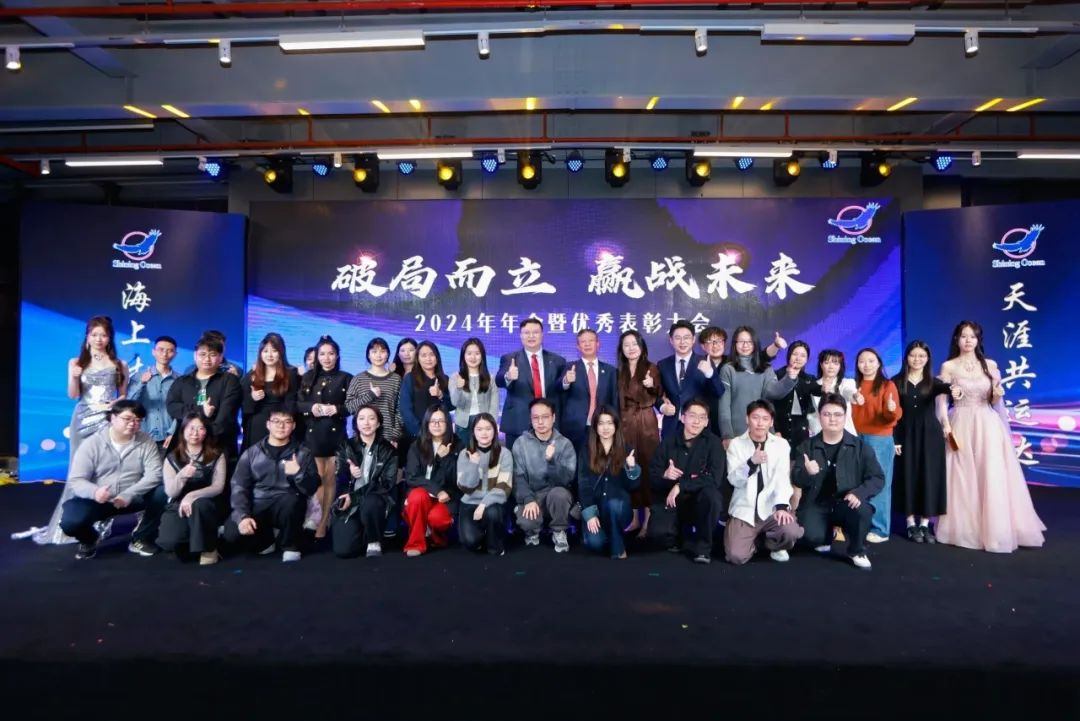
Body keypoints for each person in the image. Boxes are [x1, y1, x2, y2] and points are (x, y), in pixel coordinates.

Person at [935, 321, 1045, 553]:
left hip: (987, 423)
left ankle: (995, 529)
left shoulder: (990, 365)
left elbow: (995, 400)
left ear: (978, 340)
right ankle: (965, 529)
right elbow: (942, 401)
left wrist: (997, 393)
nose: (968, 340)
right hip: (960, 421)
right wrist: (945, 425)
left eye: (972, 336)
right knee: (962, 475)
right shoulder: (949, 367)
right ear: (956, 339)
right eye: (963, 336)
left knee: (990, 474)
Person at [34, 316, 130, 545]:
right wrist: (75, 377)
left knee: (103, 469)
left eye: (103, 335)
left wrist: (114, 405)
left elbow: (123, 395)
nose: (99, 339)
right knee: (78, 469)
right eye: (94, 334)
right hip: (82, 419)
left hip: (106, 421)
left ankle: (99, 523)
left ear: (110, 338)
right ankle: (69, 522)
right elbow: (73, 395)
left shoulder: (120, 364)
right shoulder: (75, 362)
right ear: (87, 336)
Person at [58, 400, 165, 560]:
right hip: (99, 499)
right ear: (112, 418)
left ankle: (141, 538)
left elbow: (154, 474)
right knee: (70, 522)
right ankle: (89, 539)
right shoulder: (92, 443)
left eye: (138, 420)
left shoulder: (145, 441)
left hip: (133, 497)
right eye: (127, 419)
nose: (133, 424)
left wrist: (128, 494)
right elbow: (77, 480)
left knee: (163, 492)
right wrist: (95, 492)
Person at [793, 393, 883, 570]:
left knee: (862, 511)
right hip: (817, 503)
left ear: (845, 416)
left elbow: (877, 477)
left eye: (837, 414)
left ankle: (856, 550)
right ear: (820, 416)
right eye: (827, 414)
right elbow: (796, 478)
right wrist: (806, 473)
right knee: (811, 537)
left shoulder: (861, 447)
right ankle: (826, 534)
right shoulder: (806, 446)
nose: (832, 419)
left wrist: (859, 493)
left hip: (847, 502)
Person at [224, 410, 320, 562]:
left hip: (287, 504)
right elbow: (239, 487)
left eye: (287, 422)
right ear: (268, 424)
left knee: (292, 501)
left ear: (293, 426)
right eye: (276, 421)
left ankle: (290, 545)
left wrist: (298, 473)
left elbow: (312, 488)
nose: (281, 426)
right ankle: (267, 540)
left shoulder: (303, 453)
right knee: (231, 534)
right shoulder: (251, 453)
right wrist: (242, 516)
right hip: (259, 502)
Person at [724, 400, 804, 564]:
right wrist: (751, 463)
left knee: (791, 531)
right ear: (747, 419)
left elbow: (782, 478)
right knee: (736, 556)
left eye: (765, 419)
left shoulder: (781, 445)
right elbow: (734, 480)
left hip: (771, 508)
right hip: (746, 509)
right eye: (755, 418)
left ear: (771, 422)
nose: (760, 423)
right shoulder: (736, 444)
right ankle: (755, 542)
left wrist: (781, 507)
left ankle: (773, 545)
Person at [648, 398, 726, 564]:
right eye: (692, 416)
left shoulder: (714, 443)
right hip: (674, 502)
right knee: (657, 534)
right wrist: (664, 475)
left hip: (699, 500)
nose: (696, 421)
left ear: (707, 422)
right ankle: (679, 537)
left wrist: (681, 485)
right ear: (683, 418)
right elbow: (653, 478)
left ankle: (703, 548)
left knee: (712, 497)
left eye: (702, 417)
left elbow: (714, 479)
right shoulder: (668, 441)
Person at [892, 340, 951, 542]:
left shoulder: (933, 382)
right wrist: (894, 439)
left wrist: (956, 390)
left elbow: (948, 388)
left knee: (929, 476)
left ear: (927, 359)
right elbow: (893, 415)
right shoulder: (896, 381)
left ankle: (925, 524)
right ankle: (910, 523)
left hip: (930, 435)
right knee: (907, 475)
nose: (917, 359)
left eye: (921, 356)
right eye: (913, 355)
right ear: (906, 357)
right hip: (905, 434)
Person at [296, 335, 352, 539]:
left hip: (336, 435)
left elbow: (352, 406)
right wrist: (313, 407)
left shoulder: (346, 377)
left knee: (331, 479)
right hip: (313, 435)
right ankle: (319, 518)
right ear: (317, 356)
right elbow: (297, 404)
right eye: (322, 354)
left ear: (337, 355)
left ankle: (324, 521)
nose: (327, 358)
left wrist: (336, 409)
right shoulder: (308, 377)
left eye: (331, 354)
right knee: (317, 479)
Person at [156, 412, 226, 565]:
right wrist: (182, 475)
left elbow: (218, 487)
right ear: (183, 430)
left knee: (200, 504)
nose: (195, 433)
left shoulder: (217, 455)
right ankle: (194, 539)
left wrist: (191, 496)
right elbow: (171, 492)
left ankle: (209, 547)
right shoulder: (172, 457)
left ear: (206, 432)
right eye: (191, 428)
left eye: (200, 428)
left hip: (207, 502)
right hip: (178, 504)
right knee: (169, 542)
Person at [166, 333, 242, 468]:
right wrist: (200, 410)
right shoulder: (182, 381)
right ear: (195, 355)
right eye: (202, 354)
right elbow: (172, 406)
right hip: (186, 446)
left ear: (220, 358)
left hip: (219, 445)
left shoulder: (230, 381)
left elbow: (227, 414)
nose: (207, 359)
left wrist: (202, 436)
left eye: (212, 355)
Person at [332, 405, 398, 558]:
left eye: (371, 418)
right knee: (343, 550)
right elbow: (340, 478)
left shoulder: (389, 450)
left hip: (375, 499)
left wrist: (355, 496)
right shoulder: (345, 446)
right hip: (350, 501)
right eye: (361, 419)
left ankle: (374, 540)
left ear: (378, 423)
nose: (366, 423)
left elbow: (386, 484)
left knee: (370, 502)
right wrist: (348, 473)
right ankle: (362, 531)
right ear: (356, 423)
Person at [512, 398, 577, 553]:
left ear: (553, 418)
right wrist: (528, 499)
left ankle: (559, 531)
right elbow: (518, 477)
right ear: (530, 419)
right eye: (535, 418)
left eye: (545, 417)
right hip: (533, 495)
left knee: (559, 494)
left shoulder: (564, 444)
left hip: (556, 495)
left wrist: (551, 461)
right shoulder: (520, 443)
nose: (540, 422)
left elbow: (566, 479)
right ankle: (532, 530)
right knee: (527, 521)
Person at [851, 348, 902, 543]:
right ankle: (859, 524)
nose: (866, 365)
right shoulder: (853, 385)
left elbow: (893, 416)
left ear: (879, 363)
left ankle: (880, 529)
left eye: (871, 360)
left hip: (879, 438)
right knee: (856, 481)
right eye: (862, 361)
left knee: (880, 483)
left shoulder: (887, 385)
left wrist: (891, 410)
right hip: (855, 437)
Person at [616, 330, 661, 538]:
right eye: (626, 345)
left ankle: (648, 521)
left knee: (648, 468)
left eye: (634, 344)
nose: (631, 348)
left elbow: (659, 394)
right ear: (621, 349)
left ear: (641, 346)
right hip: (625, 424)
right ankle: (634, 519)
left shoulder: (651, 368)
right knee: (629, 468)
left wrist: (652, 386)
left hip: (646, 423)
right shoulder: (619, 371)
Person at [496, 318, 567, 449]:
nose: (531, 336)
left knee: (549, 459)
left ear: (542, 335)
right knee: (517, 460)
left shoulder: (558, 360)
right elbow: (499, 380)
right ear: (521, 335)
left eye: (535, 332)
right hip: (518, 421)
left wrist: (566, 382)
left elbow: (561, 387)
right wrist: (508, 376)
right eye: (527, 333)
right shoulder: (509, 358)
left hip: (548, 422)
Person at [579, 408, 641, 559]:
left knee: (613, 505)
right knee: (596, 543)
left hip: (619, 508)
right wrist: (590, 514)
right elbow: (583, 484)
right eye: (601, 423)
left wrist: (631, 467)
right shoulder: (586, 450)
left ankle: (618, 550)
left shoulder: (627, 449)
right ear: (595, 426)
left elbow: (633, 486)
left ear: (616, 425)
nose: (605, 428)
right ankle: (612, 536)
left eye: (609, 423)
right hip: (596, 508)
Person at [402, 406, 460, 556]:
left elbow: (455, 480)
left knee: (437, 519)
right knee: (417, 495)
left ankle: (434, 535)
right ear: (426, 423)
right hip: (422, 496)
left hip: (446, 497)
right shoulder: (417, 445)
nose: (436, 424)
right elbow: (412, 477)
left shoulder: (458, 445)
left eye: (441, 421)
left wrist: (444, 458)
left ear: (448, 423)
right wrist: (436, 490)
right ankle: (415, 544)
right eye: (432, 421)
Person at [717, 325, 789, 447]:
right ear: (734, 344)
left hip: (764, 432)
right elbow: (724, 406)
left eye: (749, 342)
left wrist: (790, 378)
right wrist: (727, 434)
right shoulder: (728, 369)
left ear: (755, 344)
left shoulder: (766, 368)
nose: (745, 345)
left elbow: (775, 393)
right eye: (741, 341)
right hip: (737, 434)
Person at [656, 320, 723, 440]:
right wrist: (662, 406)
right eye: (678, 338)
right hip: (671, 428)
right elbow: (656, 394)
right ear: (671, 340)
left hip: (698, 428)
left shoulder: (705, 362)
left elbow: (719, 392)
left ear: (693, 340)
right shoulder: (663, 365)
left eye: (686, 337)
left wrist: (709, 373)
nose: (682, 342)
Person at [456, 413, 512, 556]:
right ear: (473, 432)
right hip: (469, 502)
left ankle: (495, 544)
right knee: (471, 542)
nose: (484, 433)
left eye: (488, 428)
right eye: (479, 429)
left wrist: (483, 504)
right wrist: (473, 465)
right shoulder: (464, 454)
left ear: (495, 430)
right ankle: (484, 534)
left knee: (493, 512)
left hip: (494, 503)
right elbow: (465, 488)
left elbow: (504, 487)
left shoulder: (504, 453)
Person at [557, 329, 618, 454]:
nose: (587, 344)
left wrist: (614, 423)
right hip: (574, 426)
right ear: (578, 346)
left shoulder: (610, 371)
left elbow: (614, 400)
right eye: (583, 342)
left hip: (602, 427)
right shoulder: (569, 367)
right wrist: (566, 381)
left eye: (591, 340)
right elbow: (557, 389)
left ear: (598, 344)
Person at [240, 332, 299, 450]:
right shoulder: (251, 376)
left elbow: (291, 405)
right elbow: (245, 408)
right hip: (257, 427)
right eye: (265, 351)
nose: (269, 355)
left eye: (274, 351)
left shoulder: (290, 374)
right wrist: (253, 398)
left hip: (280, 426)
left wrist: (280, 423)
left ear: (281, 352)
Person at [346, 337, 403, 449]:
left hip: (387, 438)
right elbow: (349, 407)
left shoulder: (396, 379)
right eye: (374, 352)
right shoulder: (358, 379)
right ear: (368, 355)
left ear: (388, 354)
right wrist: (370, 395)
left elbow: (400, 410)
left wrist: (395, 436)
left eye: (382, 351)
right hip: (361, 437)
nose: (378, 355)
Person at [126, 335, 178, 450]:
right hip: (142, 435)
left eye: (170, 351)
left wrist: (173, 432)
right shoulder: (139, 376)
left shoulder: (179, 380)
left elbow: (181, 409)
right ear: (153, 352)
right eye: (161, 350)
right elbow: (129, 403)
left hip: (168, 437)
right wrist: (142, 383)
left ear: (175, 354)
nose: (165, 354)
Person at [449, 338, 500, 445]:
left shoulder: (490, 379)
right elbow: (454, 402)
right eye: (469, 353)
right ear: (463, 356)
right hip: (463, 425)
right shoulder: (455, 377)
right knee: (464, 453)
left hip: (484, 424)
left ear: (482, 356)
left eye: (477, 353)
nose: (473, 357)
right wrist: (459, 388)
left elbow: (494, 405)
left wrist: (490, 424)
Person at [808, 349, 857, 436]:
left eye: (835, 363)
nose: (831, 367)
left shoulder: (846, 382)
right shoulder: (813, 385)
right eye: (827, 363)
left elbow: (848, 391)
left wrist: (854, 395)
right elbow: (811, 414)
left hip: (844, 433)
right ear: (821, 364)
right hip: (819, 433)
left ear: (840, 366)